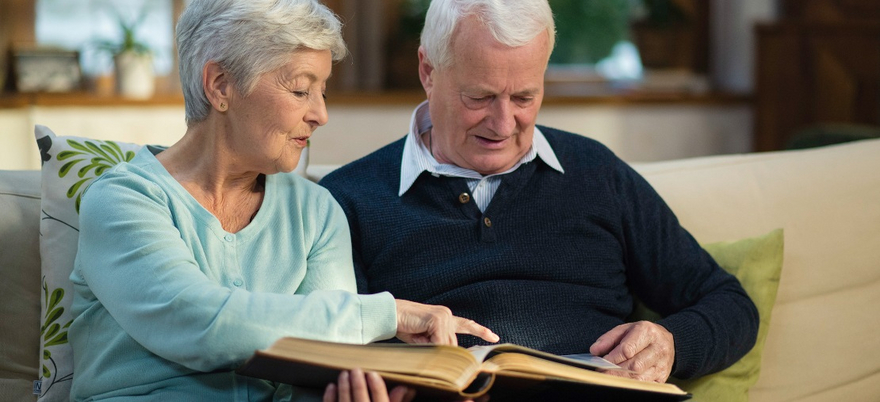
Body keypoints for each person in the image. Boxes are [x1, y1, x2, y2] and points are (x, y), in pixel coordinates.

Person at [67, 1, 497, 401]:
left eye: (322, 91)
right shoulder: (124, 201)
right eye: (299, 90)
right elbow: (199, 323)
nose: (320, 114)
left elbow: (323, 365)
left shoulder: (315, 212)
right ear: (220, 86)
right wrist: (389, 315)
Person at [319, 0, 759, 389]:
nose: (504, 123)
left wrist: (672, 344)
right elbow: (325, 343)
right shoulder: (349, 199)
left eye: (525, 97)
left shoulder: (597, 173)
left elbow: (730, 305)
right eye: (480, 97)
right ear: (428, 71)